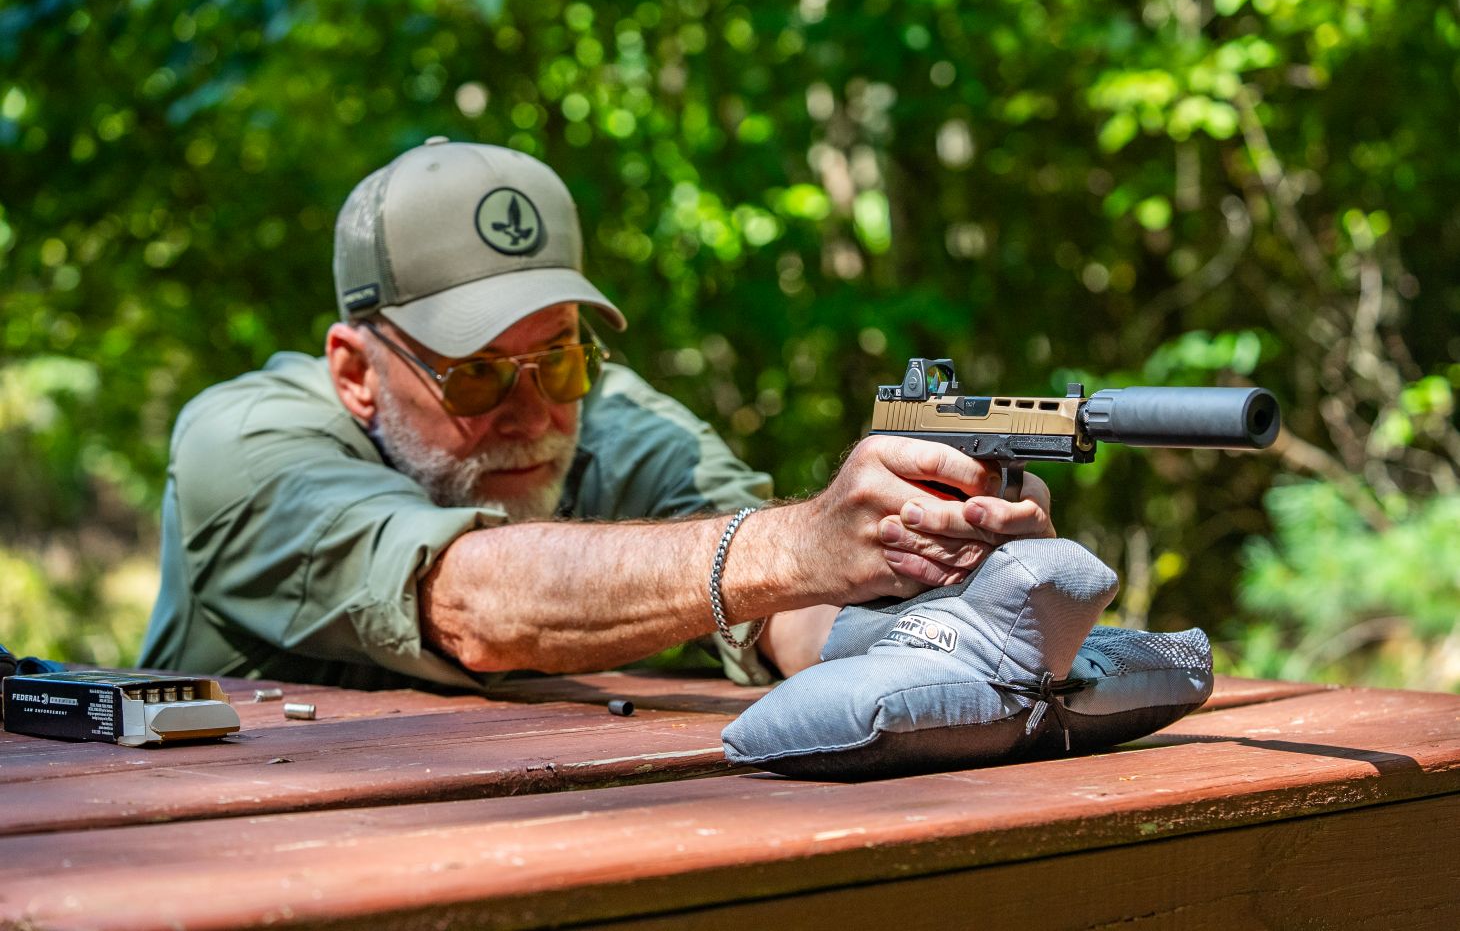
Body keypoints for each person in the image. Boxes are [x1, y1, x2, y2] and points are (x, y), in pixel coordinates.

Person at [138, 138, 1055, 692]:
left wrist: (926, 580)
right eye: (477, 374)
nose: (533, 411)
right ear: (356, 372)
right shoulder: (245, 443)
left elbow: (785, 620)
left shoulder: (619, 422)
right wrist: (793, 545)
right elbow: (470, 604)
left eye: (562, 358)